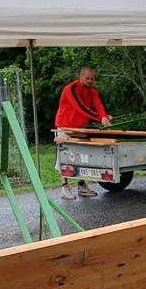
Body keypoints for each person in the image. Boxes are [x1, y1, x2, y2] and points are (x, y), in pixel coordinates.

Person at [54, 66, 112, 200]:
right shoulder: (71, 89)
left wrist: (104, 116)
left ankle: (81, 185)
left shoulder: (92, 91)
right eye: (87, 78)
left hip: (80, 127)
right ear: (80, 77)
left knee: (81, 156)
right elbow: (80, 108)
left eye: (92, 79)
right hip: (64, 126)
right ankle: (64, 187)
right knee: (64, 156)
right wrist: (100, 118)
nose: (90, 81)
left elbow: (98, 105)